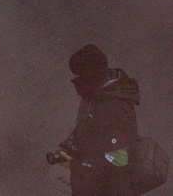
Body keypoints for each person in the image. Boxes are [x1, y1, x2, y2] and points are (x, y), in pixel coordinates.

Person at [55, 44, 139, 195]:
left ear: (88, 76)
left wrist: (76, 165)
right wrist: (71, 147)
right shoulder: (93, 93)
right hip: (87, 185)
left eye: (76, 75)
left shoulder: (115, 110)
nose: (72, 78)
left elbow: (119, 161)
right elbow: (90, 132)